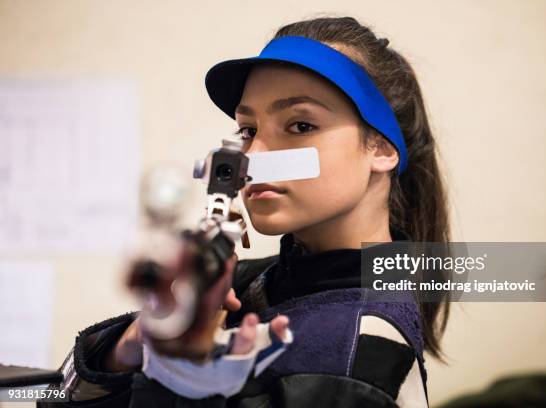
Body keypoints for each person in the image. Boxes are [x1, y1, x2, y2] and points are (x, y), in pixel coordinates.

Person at [39, 15, 450, 408]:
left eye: (301, 126)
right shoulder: (242, 284)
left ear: (381, 148)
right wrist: (133, 345)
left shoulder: (360, 346)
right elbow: (53, 397)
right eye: (248, 130)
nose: (253, 155)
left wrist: (178, 374)